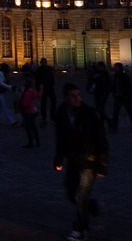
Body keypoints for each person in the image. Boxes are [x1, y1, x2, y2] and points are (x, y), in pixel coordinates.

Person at [54, 82, 108, 241]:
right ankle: (94, 207)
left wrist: (102, 165)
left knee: (80, 196)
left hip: (89, 161)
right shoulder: (61, 112)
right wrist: (59, 158)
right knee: (71, 193)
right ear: (66, 98)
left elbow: (101, 140)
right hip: (72, 160)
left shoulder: (89, 113)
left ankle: (80, 230)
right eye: (73, 96)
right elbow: (60, 138)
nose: (77, 99)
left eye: (79, 95)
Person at [110, 62, 132, 132]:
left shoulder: (124, 76)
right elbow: (114, 86)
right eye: (115, 67)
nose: (115, 68)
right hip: (118, 96)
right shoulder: (115, 76)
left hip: (125, 97)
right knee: (115, 112)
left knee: (129, 112)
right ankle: (114, 127)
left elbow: (129, 87)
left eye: (116, 67)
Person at [20, 77, 43, 148]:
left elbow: (24, 104)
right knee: (34, 127)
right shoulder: (32, 91)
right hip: (32, 111)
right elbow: (39, 95)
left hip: (27, 112)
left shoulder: (26, 93)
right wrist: (41, 89)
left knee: (28, 129)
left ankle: (31, 142)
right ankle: (37, 142)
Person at [87, 62, 112, 127]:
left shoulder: (105, 74)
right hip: (96, 92)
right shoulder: (95, 73)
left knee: (101, 108)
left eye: (100, 66)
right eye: (98, 66)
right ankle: (104, 122)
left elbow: (109, 83)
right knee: (99, 108)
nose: (99, 68)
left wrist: (108, 90)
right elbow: (90, 81)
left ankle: (107, 121)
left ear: (103, 67)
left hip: (103, 92)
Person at [35, 57, 57, 128]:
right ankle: (44, 116)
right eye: (43, 62)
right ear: (41, 63)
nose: (44, 64)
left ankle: (52, 116)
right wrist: (38, 89)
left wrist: (52, 84)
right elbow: (37, 81)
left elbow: (52, 77)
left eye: (45, 62)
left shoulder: (49, 69)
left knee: (54, 101)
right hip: (43, 88)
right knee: (43, 103)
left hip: (50, 87)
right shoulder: (38, 70)